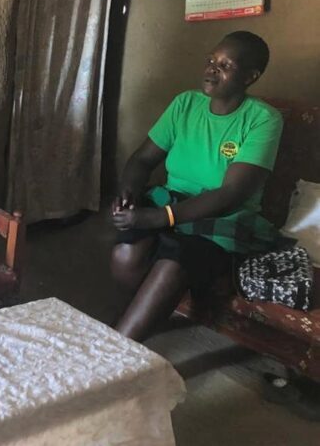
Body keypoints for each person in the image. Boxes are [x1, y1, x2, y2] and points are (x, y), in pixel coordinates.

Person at [111, 31, 283, 342]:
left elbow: (231, 195)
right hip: (171, 201)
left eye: (225, 65)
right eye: (211, 61)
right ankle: (142, 317)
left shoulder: (263, 119)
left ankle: (115, 351)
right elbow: (141, 160)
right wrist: (128, 194)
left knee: (173, 265)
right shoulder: (185, 104)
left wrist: (159, 218)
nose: (212, 69)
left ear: (250, 76)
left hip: (222, 217)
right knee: (125, 256)